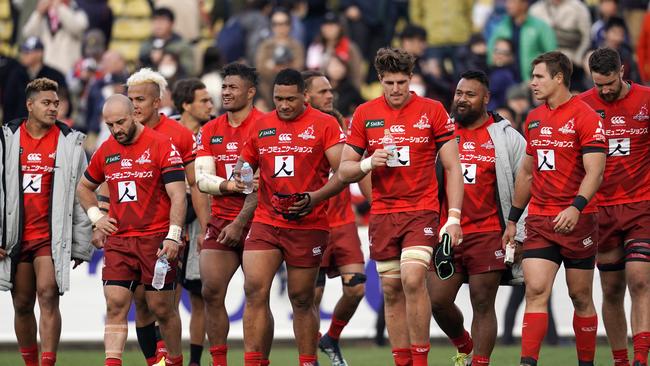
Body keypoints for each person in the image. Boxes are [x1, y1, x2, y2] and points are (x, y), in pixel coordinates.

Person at [338, 47, 464, 366]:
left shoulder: (432, 110)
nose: (396, 89)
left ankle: (420, 361)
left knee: (411, 278)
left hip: (421, 210)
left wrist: (453, 217)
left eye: (401, 82)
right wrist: (368, 162)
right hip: (383, 213)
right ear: (380, 80)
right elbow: (344, 170)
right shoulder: (365, 114)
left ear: (411, 80)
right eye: (389, 82)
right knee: (392, 290)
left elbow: (452, 167)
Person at [502, 51, 607, 366]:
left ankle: (586, 362)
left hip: (578, 222)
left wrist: (575, 208)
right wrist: (512, 220)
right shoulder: (533, 118)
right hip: (540, 221)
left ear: (559, 78)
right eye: (533, 77)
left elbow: (595, 172)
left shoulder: (586, 117)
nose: (532, 83)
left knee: (580, 296)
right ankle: (527, 362)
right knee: (535, 290)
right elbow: (526, 172)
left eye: (539, 77)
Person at [239, 68, 346, 366]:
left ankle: (307, 361)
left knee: (301, 299)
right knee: (254, 290)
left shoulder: (325, 125)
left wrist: (315, 198)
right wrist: (241, 176)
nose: (284, 105)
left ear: (304, 96)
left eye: (290, 99)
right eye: (278, 99)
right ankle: (254, 362)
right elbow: (243, 166)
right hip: (267, 220)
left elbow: (342, 172)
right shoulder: (261, 125)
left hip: (308, 224)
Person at [77, 94, 187, 366]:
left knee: (162, 309)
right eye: (110, 124)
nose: (117, 130)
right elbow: (84, 187)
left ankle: (174, 360)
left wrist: (173, 235)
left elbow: (178, 196)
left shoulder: (162, 146)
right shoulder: (106, 149)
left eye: (121, 122)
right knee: (115, 305)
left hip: (156, 240)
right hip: (120, 241)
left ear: (135, 115)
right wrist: (96, 217)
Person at [429, 70, 527, 366]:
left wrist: (518, 232)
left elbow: (527, 185)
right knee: (438, 301)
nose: (461, 99)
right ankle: (463, 342)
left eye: (470, 95)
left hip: (488, 233)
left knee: (483, 304)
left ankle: (480, 362)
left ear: (486, 98)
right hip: (447, 233)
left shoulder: (507, 138)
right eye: (459, 93)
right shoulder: (442, 133)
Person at [0, 77, 94, 366]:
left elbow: (82, 194)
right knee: (23, 304)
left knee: (49, 293)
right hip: (16, 237)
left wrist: (81, 243)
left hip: (50, 237)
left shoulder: (70, 143)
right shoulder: (6, 140)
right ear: (30, 105)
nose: (54, 108)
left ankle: (47, 363)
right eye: (46, 103)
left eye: (56, 103)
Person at [579, 47, 650, 366]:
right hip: (601, 210)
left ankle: (640, 358)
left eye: (610, 83)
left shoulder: (646, 100)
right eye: (599, 85)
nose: (605, 90)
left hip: (640, 205)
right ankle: (620, 360)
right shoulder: (581, 105)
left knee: (639, 278)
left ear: (622, 71)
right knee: (610, 289)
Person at [194, 63, 267, 366]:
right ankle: (219, 361)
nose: (225, 92)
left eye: (232, 87)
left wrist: (240, 223)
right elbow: (201, 179)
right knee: (210, 291)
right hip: (221, 219)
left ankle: (258, 360)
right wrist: (226, 187)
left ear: (250, 92)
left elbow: (264, 184)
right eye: (224, 87)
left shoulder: (266, 125)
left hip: (260, 221)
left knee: (256, 295)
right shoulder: (210, 129)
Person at [126, 68, 198, 365]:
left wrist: (191, 227)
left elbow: (194, 186)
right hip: (130, 234)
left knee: (165, 303)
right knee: (140, 303)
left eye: (140, 99)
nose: (134, 106)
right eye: (130, 99)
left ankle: (175, 360)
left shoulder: (179, 134)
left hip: (169, 233)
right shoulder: (122, 132)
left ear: (158, 102)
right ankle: (153, 361)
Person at [302, 70, 368, 366]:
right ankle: (311, 356)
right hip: (310, 223)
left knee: (356, 288)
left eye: (330, 91)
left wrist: (374, 201)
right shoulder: (296, 128)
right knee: (310, 298)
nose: (330, 95)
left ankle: (332, 336)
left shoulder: (342, 124)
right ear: (306, 96)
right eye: (323, 91)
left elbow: (360, 167)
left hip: (342, 222)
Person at [171, 77, 214, 366]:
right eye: (204, 101)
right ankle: (166, 358)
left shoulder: (214, 131)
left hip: (201, 218)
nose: (211, 106)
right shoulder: (166, 130)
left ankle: (195, 362)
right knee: (166, 296)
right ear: (186, 105)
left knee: (200, 295)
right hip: (170, 218)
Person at [487, 0, 557, 82]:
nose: (508, 5)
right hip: (506, 80)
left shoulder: (540, 27)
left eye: (512, 2)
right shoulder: (502, 26)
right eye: (507, 2)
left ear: (524, 4)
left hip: (532, 82)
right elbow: (490, 54)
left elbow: (553, 55)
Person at [3, 36, 68, 123]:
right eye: (22, 51)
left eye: (27, 52)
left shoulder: (55, 76)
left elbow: (64, 104)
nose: (23, 55)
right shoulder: (16, 74)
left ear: (39, 53)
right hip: (20, 129)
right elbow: (8, 105)